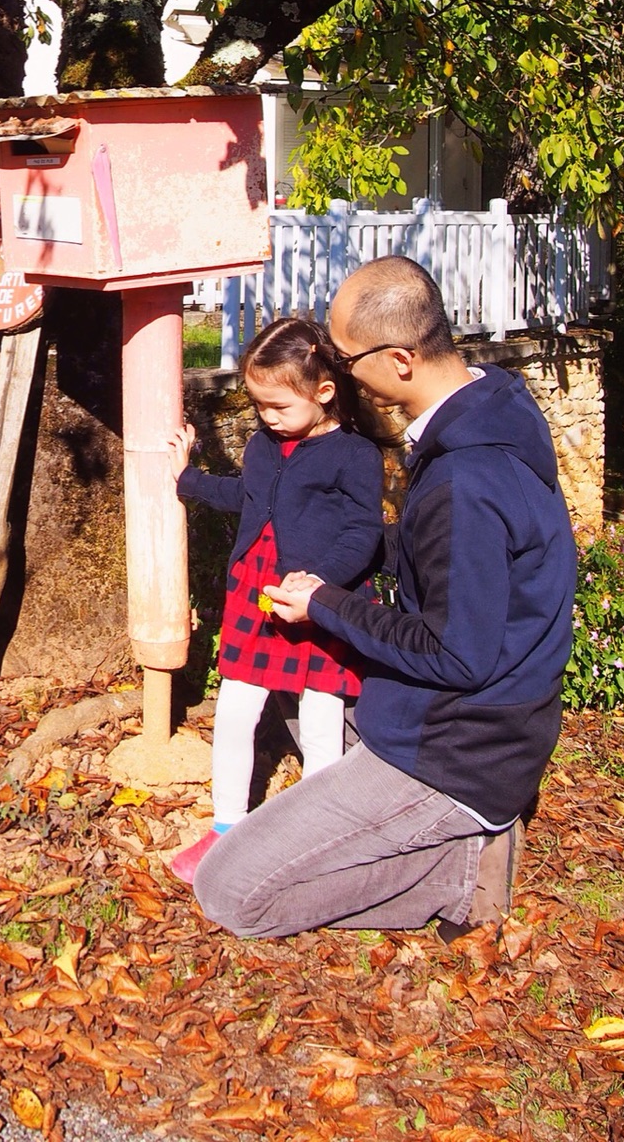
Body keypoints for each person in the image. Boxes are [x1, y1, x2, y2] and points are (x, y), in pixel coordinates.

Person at [192, 256, 578, 940]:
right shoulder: (491, 404)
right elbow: (445, 564)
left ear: (398, 359)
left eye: (343, 356)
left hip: (461, 747)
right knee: (293, 706)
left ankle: (458, 870)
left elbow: (454, 656)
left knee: (230, 891)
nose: (335, 369)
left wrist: (327, 605)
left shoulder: (467, 479)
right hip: (456, 715)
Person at [165, 316, 384, 886]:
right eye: (259, 405)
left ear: (324, 392)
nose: (267, 418)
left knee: (319, 718)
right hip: (254, 592)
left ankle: (317, 837)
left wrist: (319, 585)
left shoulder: (354, 455)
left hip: (316, 598)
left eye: (279, 406)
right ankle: (226, 828)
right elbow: (247, 495)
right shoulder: (265, 444)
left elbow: (364, 533)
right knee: (236, 711)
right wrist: (188, 478)